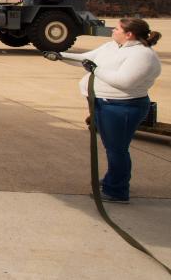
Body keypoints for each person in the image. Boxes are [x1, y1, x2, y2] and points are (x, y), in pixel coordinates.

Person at [45, 18, 162, 203]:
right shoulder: (112, 47)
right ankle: (113, 179)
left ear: (129, 34)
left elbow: (124, 81)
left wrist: (95, 70)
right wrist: (60, 55)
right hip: (105, 105)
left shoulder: (143, 56)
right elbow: (87, 59)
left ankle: (117, 190)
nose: (112, 31)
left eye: (116, 29)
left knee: (117, 150)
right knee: (112, 148)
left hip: (122, 108)